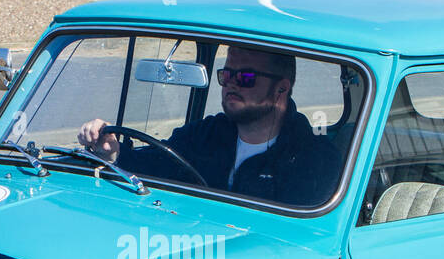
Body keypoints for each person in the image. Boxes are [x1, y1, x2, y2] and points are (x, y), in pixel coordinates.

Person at [77, 46, 341, 206]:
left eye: (246, 77)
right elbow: (156, 163)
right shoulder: (205, 135)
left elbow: (294, 242)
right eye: (226, 74)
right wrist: (112, 151)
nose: (231, 83)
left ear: (281, 88)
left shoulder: (312, 158)